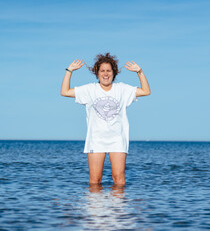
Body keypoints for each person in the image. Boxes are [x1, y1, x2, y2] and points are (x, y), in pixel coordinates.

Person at [60, 53, 150, 185]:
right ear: (97, 73)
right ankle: (95, 205)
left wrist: (140, 72)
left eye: (109, 70)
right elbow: (65, 92)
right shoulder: (90, 89)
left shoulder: (122, 89)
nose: (105, 74)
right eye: (102, 71)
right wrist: (69, 71)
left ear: (114, 73)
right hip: (96, 140)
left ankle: (118, 205)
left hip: (117, 139)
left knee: (119, 180)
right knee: (95, 180)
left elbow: (146, 91)